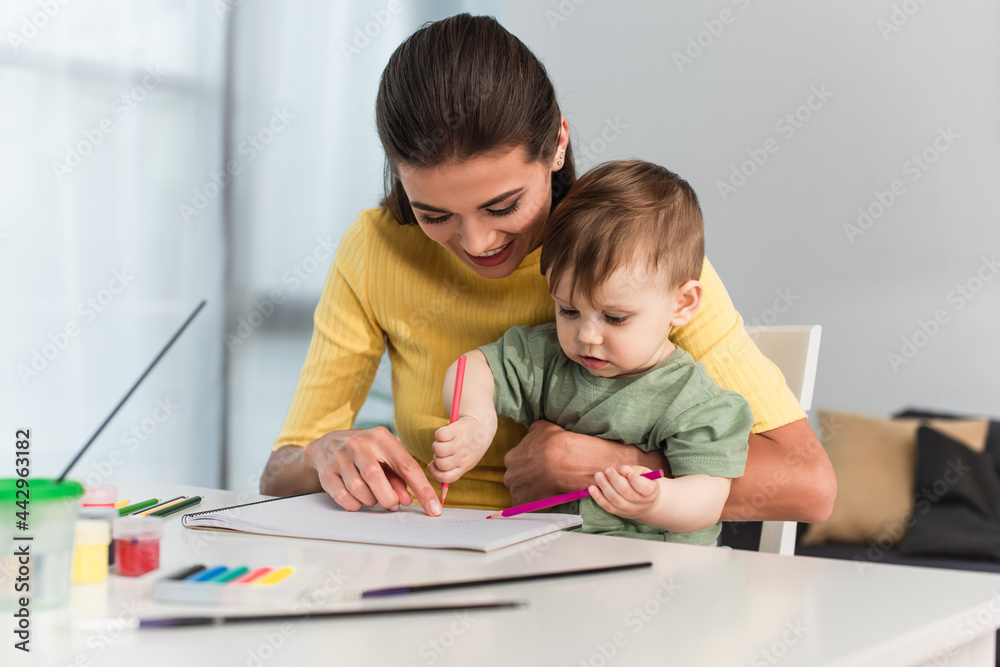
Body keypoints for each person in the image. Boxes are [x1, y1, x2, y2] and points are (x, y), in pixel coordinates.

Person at [261, 14, 836, 526]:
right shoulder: (376, 248)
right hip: (437, 555)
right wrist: (323, 455)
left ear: (557, 145)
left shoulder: (628, 250)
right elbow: (277, 474)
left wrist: (613, 467)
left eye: (504, 206)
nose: (477, 242)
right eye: (434, 214)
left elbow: (807, 485)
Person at [430, 160, 753, 545]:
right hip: (555, 560)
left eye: (614, 318)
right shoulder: (548, 358)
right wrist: (476, 418)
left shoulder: (694, 401)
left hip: (657, 573)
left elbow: (708, 498)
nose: (587, 336)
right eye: (568, 310)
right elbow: (473, 366)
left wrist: (656, 500)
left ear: (682, 303)